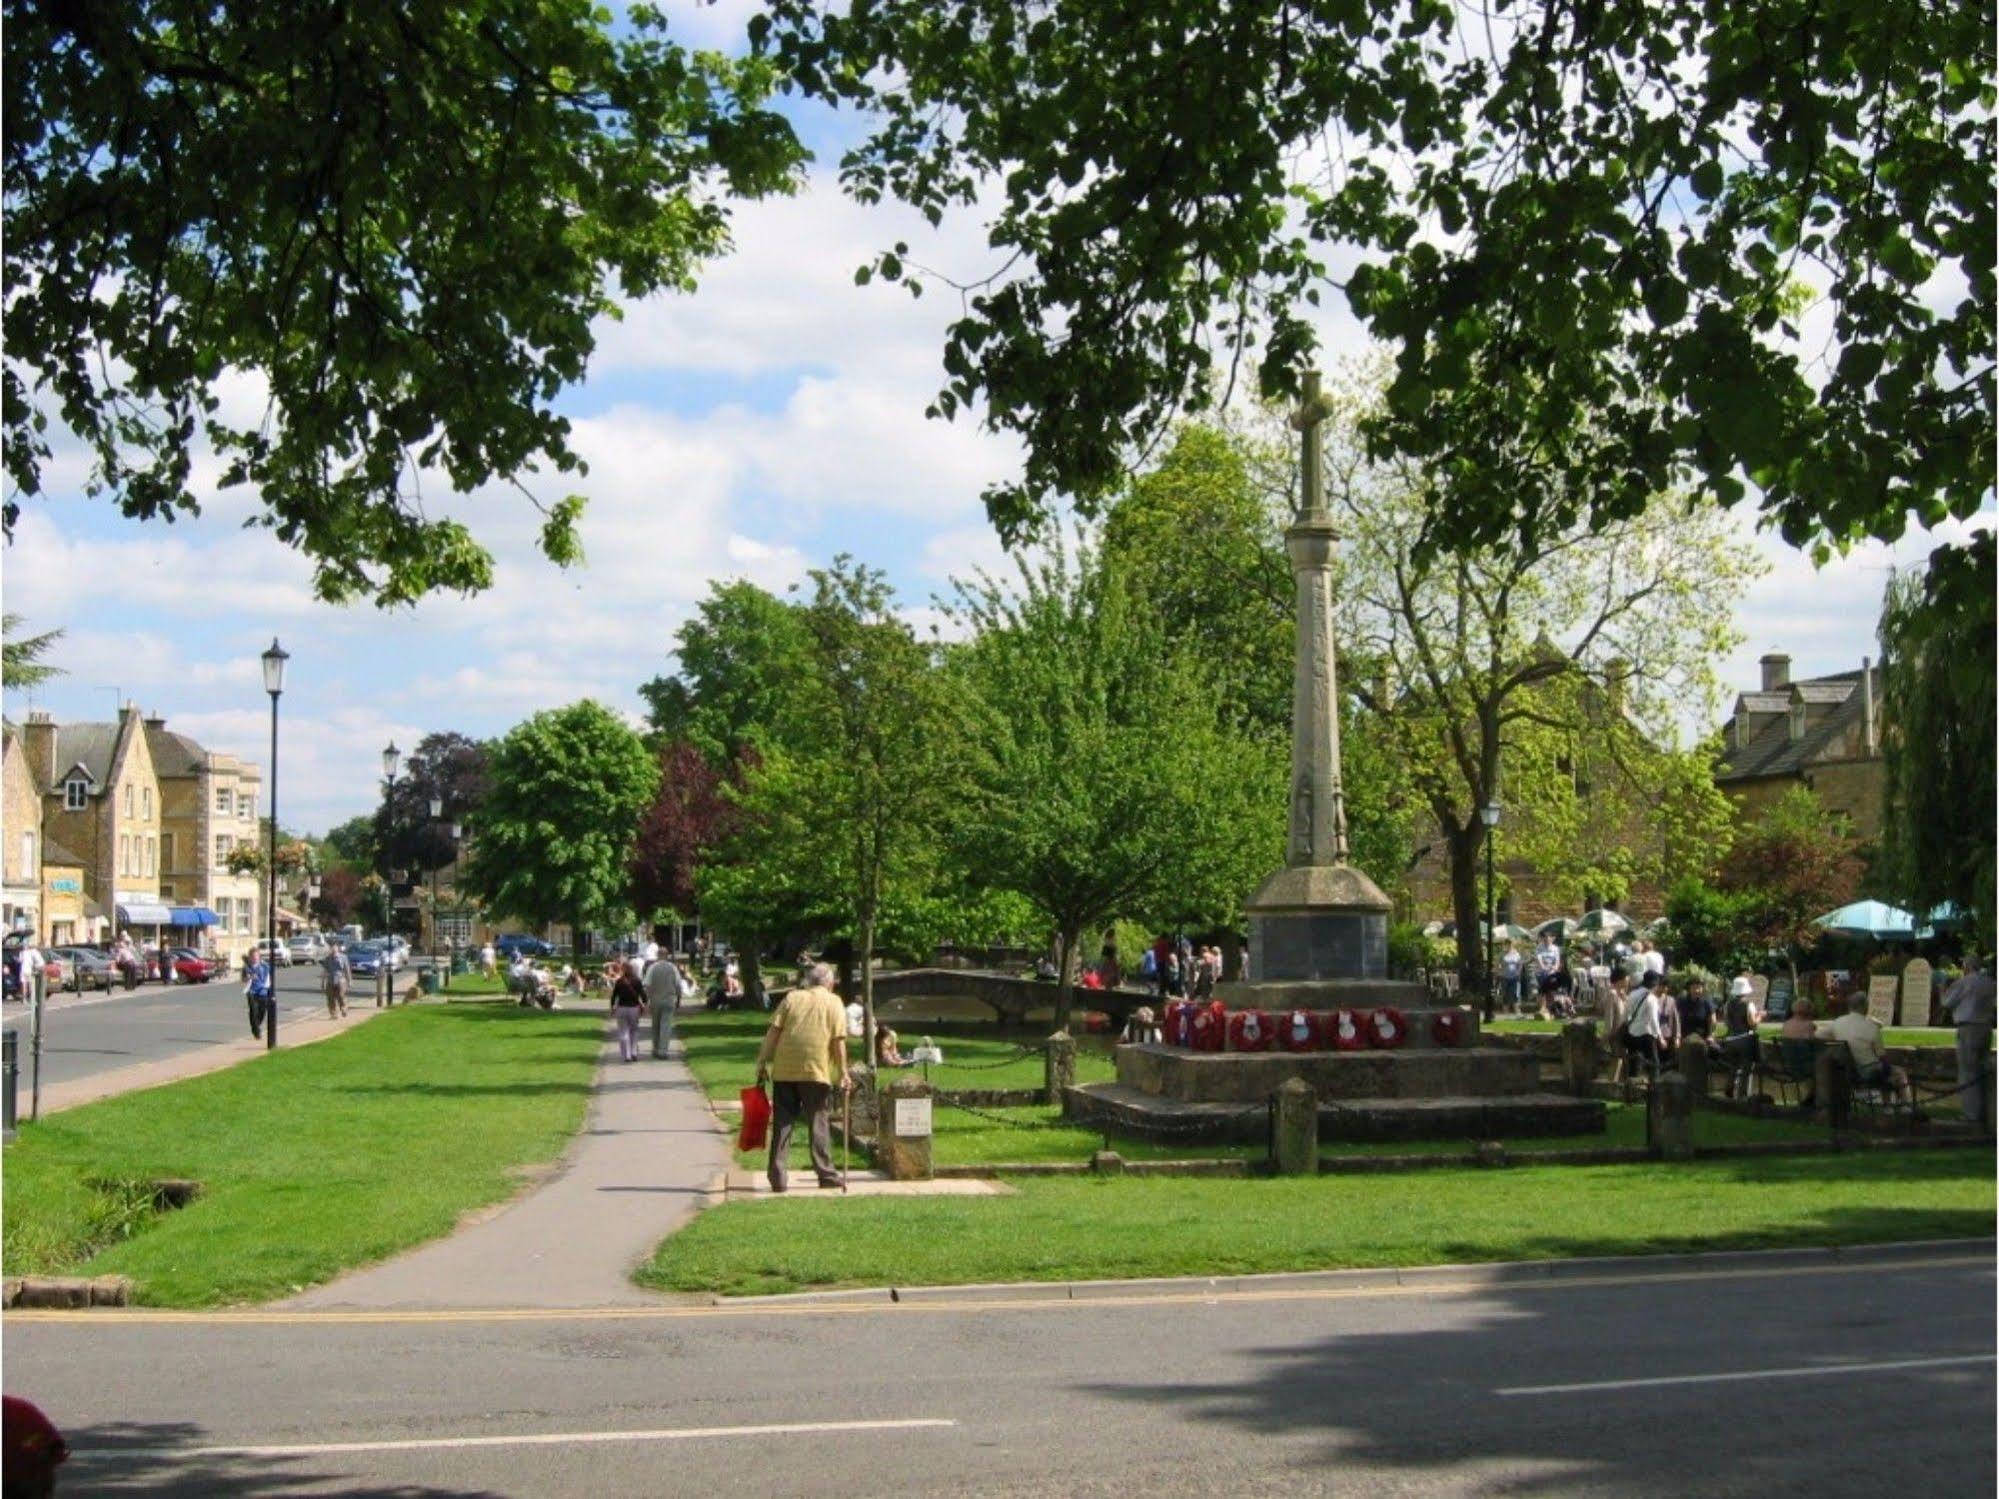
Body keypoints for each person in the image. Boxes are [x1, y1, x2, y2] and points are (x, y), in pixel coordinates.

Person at [753, 962, 850, 1192]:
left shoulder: (792, 998)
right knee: (818, 1121)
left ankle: (777, 1175)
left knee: (783, 1123)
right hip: (815, 1071)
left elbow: (773, 1033)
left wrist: (762, 1062)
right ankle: (825, 1173)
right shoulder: (834, 1002)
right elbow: (838, 1041)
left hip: (784, 1070)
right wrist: (844, 1072)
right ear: (829, 982)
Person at [1817, 987, 1911, 1106]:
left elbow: (1818, 1035)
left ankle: (1889, 1106)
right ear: (1865, 1007)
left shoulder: (1838, 1023)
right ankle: (1904, 1106)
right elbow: (1881, 1055)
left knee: (1885, 1070)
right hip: (1868, 1071)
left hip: (1847, 1070)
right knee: (1897, 1072)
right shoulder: (1871, 1026)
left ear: (1849, 1006)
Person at [1941, 957, 1995, 1128]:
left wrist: (1942, 989)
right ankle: (1987, 1111)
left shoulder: (1963, 983)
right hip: (1986, 1028)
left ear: (1967, 966)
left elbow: (1946, 1002)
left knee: (1967, 1071)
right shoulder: (1989, 983)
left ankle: (1971, 1114)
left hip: (1968, 1027)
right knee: (1983, 1069)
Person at [1718, 975, 1762, 1100]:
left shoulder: (1728, 1004)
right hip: (1745, 1039)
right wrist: (1760, 1016)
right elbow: (1752, 1023)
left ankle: (1729, 1088)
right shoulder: (1749, 1004)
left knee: (1733, 1066)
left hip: (1731, 1039)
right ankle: (1742, 1095)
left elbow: (1726, 1022)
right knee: (1746, 1068)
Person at [644, 948, 686, 1058]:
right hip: (669, 999)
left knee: (655, 1025)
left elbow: (647, 986)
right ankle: (663, 1051)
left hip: (655, 999)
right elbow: (678, 985)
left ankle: (656, 1048)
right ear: (667, 955)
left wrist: (647, 1001)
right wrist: (679, 999)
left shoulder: (652, 968)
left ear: (658, 955)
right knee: (666, 1026)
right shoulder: (673, 968)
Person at [608, 958, 648, 1062]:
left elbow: (614, 996)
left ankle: (626, 1055)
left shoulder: (619, 981)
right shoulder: (637, 981)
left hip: (621, 1008)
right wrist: (645, 1004)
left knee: (623, 1031)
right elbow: (643, 995)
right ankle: (634, 1052)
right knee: (634, 1031)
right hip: (634, 1009)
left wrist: (612, 1007)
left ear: (623, 970)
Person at [1623, 976, 1664, 1076]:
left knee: (1634, 1063)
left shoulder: (1632, 994)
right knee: (1654, 1064)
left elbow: (1625, 1014)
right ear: (1655, 985)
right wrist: (1660, 1037)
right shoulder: (1652, 998)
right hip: (1647, 1034)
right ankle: (1654, 1088)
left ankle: (1632, 1086)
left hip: (1632, 1032)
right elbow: (1654, 1020)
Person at [243, 951, 272, 1039]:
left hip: (263, 991)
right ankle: (256, 1031)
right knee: (253, 1010)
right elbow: (243, 980)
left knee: (262, 1011)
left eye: (256, 956)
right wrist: (248, 978)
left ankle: (256, 1025)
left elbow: (268, 978)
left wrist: (268, 989)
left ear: (259, 957)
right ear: (250, 958)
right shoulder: (246, 968)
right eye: (253, 956)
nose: (255, 958)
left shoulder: (265, 966)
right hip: (251, 991)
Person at [321, 944, 351, 1019]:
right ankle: (333, 1014)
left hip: (341, 979)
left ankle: (343, 1008)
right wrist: (323, 982)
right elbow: (325, 971)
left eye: (335, 949)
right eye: (332, 949)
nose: (333, 951)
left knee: (341, 995)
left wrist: (349, 980)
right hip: (330, 979)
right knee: (330, 997)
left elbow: (347, 970)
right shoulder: (327, 959)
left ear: (338, 949)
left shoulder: (343, 957)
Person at [1499, 941, 1523, 1013]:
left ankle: (1517, 1010)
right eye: (1506, 944)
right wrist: (1499, 971)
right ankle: (1505, 1011)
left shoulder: (1517, 954)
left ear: (1513, 945)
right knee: (1505, 994)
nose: (1508, 946)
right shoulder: (1502, 954)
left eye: (1510, 945)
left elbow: (1520, 964)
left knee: (1515, 993)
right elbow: (1497, 963)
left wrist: (1518, 972)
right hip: (1504, 976)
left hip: (1514, 977)